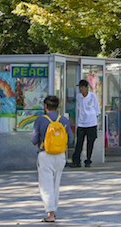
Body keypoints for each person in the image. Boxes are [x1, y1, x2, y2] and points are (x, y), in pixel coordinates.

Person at [31, 95, 73, 223]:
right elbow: (70, 140)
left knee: (46, 185)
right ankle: (53, 210)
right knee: (56, 184)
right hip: (60, 155)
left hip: (45, 155)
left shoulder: (40, 120)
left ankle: (51, 213)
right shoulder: (64, 120)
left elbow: (33, 140)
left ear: (45, 106)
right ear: (57, 106)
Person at [69, 79, 101, 168]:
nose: (81, 89)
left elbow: (97, 110)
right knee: (79, 142)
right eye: (80, 87)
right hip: (81, 123)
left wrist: (94, 120)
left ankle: (88, 160)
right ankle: (76, 161)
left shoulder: (92, 96)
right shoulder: (79, 97)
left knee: (90, 143)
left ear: (86, 88)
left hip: (91, 123)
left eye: (82, 87)